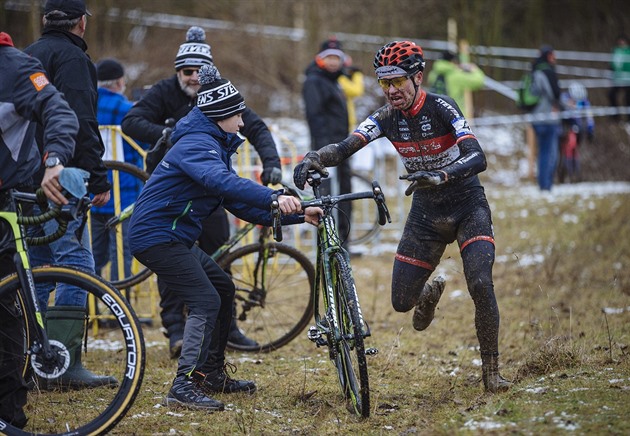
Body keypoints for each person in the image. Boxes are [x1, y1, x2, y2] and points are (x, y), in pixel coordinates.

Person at [294, 40, 512, 393]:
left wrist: (442, 175)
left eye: (397, 82)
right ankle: (428, 293)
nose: (391, 91)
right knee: (400, 302)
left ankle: (491, 372)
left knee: (480, 283)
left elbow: (478, 156)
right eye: (384, 83)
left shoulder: (442, 106)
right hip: (426, 213)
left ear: (417, 77)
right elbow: (347, 146)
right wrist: (314, 157)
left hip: (466, 204)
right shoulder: (386, 117)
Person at [128, 64, 320, 411]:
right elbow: (223, 183)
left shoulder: (212, 143)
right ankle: (183, 384)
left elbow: (232, 201)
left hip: (175, 236)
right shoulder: (197, 144)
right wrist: (273, 195)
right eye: (237, 116)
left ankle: (212, 374)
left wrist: (297, 213)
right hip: (156, 237)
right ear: (220, 116)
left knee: (222, 287)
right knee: (205, 300)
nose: (242, 123)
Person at [122, 26, 282, 354]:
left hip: (208, 190)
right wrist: (167, 133)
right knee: (174, 261)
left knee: (218, 260)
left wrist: (272, 165)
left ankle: (227, 332)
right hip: (173, 197)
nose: (193, 77)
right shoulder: (168, 95)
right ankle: (178, 331)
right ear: (177, 71)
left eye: (199, 70)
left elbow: (254, 127)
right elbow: (131, 122)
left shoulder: (224, 98)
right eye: (186, 71)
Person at [23, 0, 115, 389]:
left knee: (40, 271)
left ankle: (32, 359)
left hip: (26, 177)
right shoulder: (74, 60)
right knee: (76, 266)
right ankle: (65, 363)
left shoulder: (27, 56)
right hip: (66, 175)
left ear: (45, 20)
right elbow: (80, 119)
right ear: (81, 23)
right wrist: (97, 178)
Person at [0, 31, 78, 428]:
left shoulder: (15, 66)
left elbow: (59, 110)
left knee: (6, 307)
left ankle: (8, 413)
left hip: (5, 196)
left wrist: (55, 160)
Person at [91, 58, 141, 281]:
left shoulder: (86, 105)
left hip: (93, 190)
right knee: (121, 254)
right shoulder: (127, 110)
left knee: (93, 254)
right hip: (125, 192)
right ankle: (118, 308)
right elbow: (144, 144)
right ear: (120, 82)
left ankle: (91, 303)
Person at [302, 37, 353, 249]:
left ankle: (343, 239)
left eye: (336, 58)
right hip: (327, 150)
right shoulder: (314, 81)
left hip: (342, 147)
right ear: (320, 59)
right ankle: (328, 241)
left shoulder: (336, 81)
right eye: (329, 57)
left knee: (344, 193)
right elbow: (315, 116)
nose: (333, 62)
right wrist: (323, 153)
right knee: (327, 196)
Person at [529, 44, 562, 192]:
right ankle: (546, 186)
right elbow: (555, 94)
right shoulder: (548, 72)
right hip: (548, 118)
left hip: (536, 119)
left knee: (543, 152)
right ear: (549, 56)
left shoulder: (533, 71)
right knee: (549, 153)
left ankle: (544, 185)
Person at [426, 50, 485, 118]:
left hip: (436, 114)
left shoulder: (433, 73)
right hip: (454, 116)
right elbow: (478, 81)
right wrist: (474, 69)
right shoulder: (455, 76)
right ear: (452, 61)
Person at [557, 82, 594, 183]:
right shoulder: (564, 98)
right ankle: (565, 174)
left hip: (578, 129)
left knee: (574, 150)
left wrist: (590, 130)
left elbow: (589, 116)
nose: (575, 103)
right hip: (564, 128)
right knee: (566, 148)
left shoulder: (584, 102)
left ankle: (574, 174)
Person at [338, 54, 365, 131]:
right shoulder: (340, 78)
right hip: (341, 120)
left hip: (346, 119)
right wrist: (357, 74)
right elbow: (357, 91)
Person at [608, 35, 630, 122]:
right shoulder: (616, 51)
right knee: (611, 95)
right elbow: (612, 65)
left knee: (628, 98)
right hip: (618, 79)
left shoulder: (628, 52)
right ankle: (615, 117)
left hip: (628, 79)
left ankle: (629, 118)